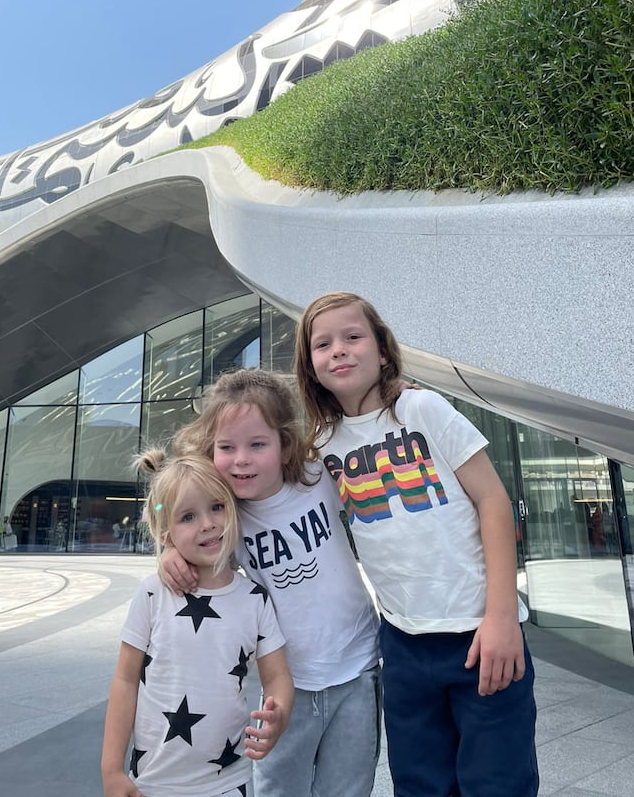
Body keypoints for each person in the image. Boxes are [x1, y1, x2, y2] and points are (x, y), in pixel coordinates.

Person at [295, 291, 539, 797]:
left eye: (352, 336)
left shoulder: (421, 408)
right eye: (323, 344)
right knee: (420, 784)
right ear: (311, 366)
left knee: (498, 783)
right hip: (402, 644)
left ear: (383, 351)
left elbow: (493, 501)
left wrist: (500, 618)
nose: (338, 349)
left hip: (480, 633)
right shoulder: (320, 447)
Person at [163, 369, 382, 797]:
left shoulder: (318, 478)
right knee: (278, 789)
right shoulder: (227, 517)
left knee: (349, 789)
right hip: (285, 688)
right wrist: (171, 550)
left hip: (358, 670)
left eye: (257, 444)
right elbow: (173, 508)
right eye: (226, 448)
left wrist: (394, 399)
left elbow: (365, 440)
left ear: (285, 446)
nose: (241, 459)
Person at [101, 448, 293, 797]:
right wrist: (112, 770)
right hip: (153, 783)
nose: (207, 524)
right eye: (187, 517)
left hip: (230, 782)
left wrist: (279, 713)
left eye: (217, 507)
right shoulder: (153, 594)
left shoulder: (255, 599)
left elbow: (277, 674)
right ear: (164, 532)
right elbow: (125, 679)